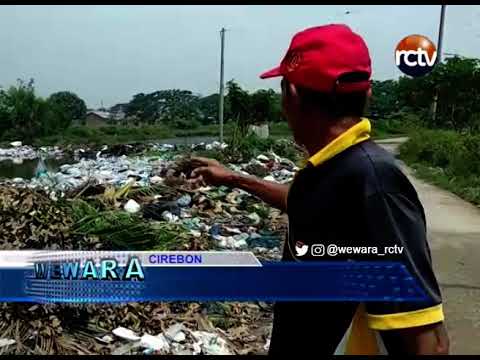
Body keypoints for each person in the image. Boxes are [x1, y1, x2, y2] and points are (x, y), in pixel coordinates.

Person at [189, 24, 449, 355]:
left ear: (292, 96)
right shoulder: (333, 169)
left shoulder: (374, 181)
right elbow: (306, 204)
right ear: (366, 94)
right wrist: (235, 179)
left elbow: (428, 340)